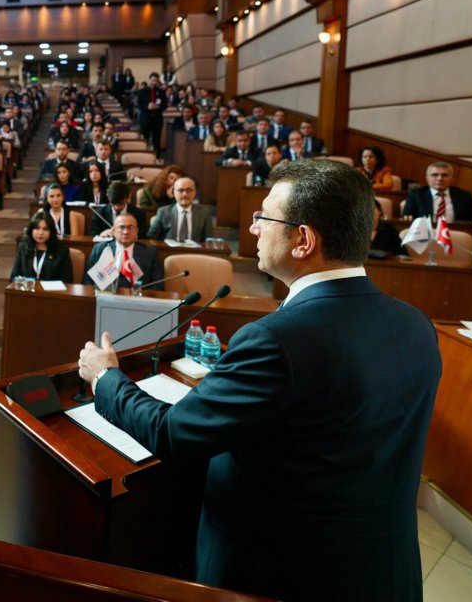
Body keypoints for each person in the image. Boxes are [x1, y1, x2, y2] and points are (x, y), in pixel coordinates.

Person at [78, 160, 441, 602]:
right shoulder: (415, 324)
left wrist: (105, 377)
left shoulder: (276, 340)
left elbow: (171, 433)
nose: (253, 229)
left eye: (264, 217)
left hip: (282, 573)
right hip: (383, 571)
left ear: (303, 239)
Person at [82, 212, 161, 291]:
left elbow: (157, 285)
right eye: (121, 227)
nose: (126, 232)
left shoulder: (150, 253)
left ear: (137, 231)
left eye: (130, 227)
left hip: (137, 300)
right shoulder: (100, 249)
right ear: (113, 231)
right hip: (105, 297)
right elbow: (88, 280)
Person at [402, 161, 472, 222]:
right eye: (435, 175)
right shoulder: (416, 194)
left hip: (455, 234)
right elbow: (407, 217)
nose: (439, 178)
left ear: (452, 178)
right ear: (427, 178)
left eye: (444, 175)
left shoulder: (464, 196)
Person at [10, 213, 73, 283]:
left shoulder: (61, 251)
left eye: (45, 229)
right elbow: (14, 275)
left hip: (51, 292)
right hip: (27, 291)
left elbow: (67, 279)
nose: (40, 233)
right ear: (31, 230)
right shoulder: (23, 248)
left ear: (51, 231)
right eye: (37, 228)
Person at [147, 177, 214, 242]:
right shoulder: (163, 212)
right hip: (169, 251)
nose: (185, 194)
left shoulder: (204, 213)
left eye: (189, 190)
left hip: (194, 252)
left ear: (194, 192)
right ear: (174, 192)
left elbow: (209, 240)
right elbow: (151, 237)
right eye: (180, 190)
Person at [135, 73, 167, 149]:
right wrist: (147, 107)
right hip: (145, 119)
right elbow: (139, 105)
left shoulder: (162, 92)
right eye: (153, 80)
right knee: (144, 140)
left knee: (156, 141)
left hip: (157, 119)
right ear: (149, 80)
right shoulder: (142, 91)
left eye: (156, 81)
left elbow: (165, 105)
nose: (154, 83)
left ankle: (157, 158)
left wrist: (157, 107)